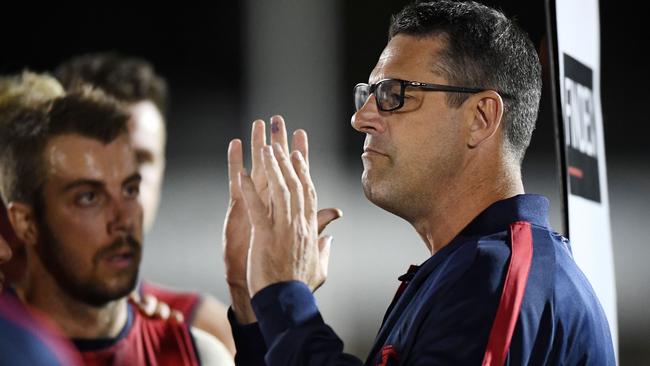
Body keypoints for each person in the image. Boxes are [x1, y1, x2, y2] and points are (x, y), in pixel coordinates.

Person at [223, 1, 616, 365]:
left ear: (481, 117)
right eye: (369, 93)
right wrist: (253, 301)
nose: (361, 119)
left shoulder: (497, 274)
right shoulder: (474, 269)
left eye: (395, 94)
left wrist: (286, 294)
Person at [0, 87, 232, 365]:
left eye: (130, 190)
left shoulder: (196, 355)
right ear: (25, 222)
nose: (122, 219)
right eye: (88, 197)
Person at [54, 53, 235, 355]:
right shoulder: (14, 326)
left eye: (143, 159)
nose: (128, 179)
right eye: (105, 155)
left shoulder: (202, 333)